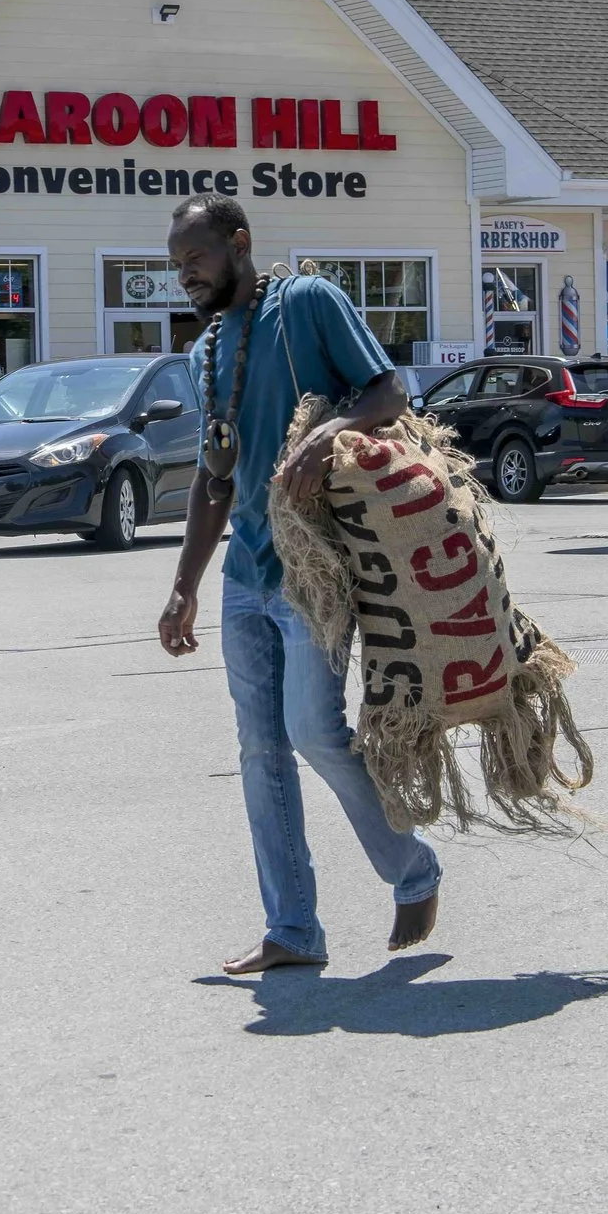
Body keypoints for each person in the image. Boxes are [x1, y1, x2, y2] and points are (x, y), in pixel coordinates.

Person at [158, 195, 440, 974]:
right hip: (244, 577)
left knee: (314, 730)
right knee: (260, 749)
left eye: (196, 257)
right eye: (176, 264)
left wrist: (330, 430)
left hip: (318, 567)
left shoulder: (308, 303)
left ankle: (413, 867)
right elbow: (214, 478)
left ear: (239, 242)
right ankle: (292, 927)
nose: (185, 274)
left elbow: (388, 392)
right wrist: (184, 585)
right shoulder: (204, 351)